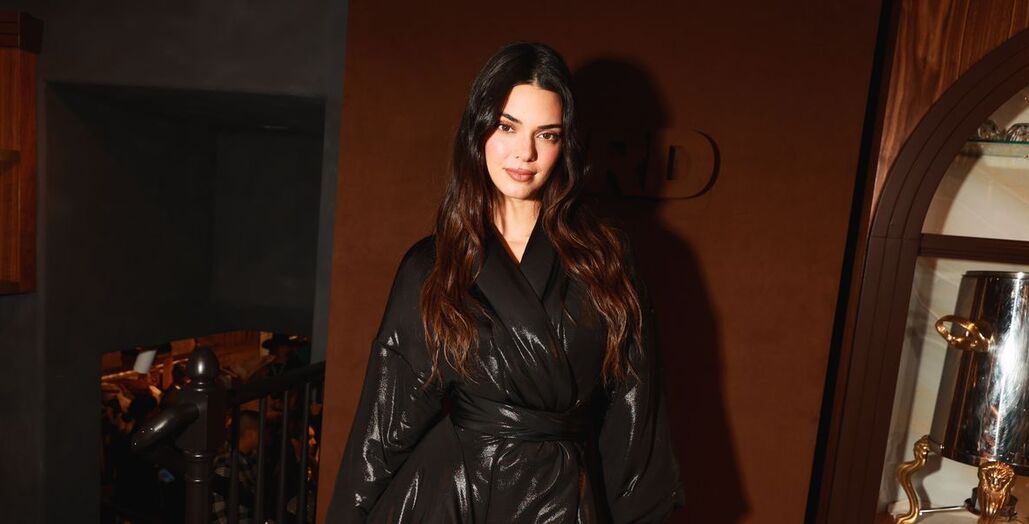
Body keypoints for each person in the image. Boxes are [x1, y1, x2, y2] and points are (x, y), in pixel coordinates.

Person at [327, 42, 684, 523]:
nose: (526, 153)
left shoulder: (606, 259)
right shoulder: (432, 265)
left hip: (564, 500)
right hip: (453, 498)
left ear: (565, 144)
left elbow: (636, 420)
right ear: (477, 130)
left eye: (547, 134)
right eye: (507, 126)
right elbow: (382, 426)